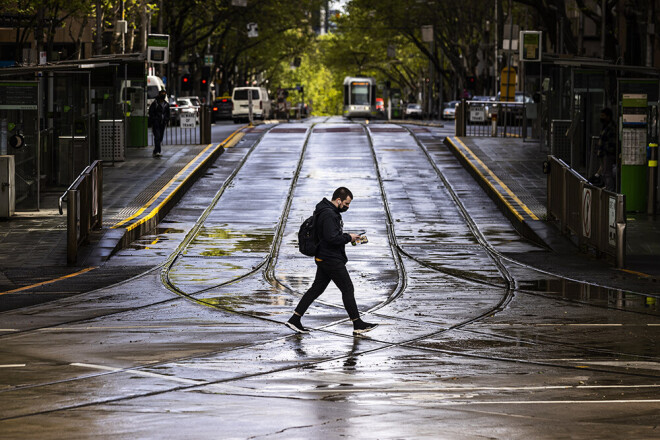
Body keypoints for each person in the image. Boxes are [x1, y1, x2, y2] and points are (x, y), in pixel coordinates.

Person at [286, 187, 378, 335]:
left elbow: (330, 235)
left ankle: (295, 319)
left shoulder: (326, 211)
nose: (347, 207)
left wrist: (348, 237)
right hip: (330, 259)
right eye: (346, 204)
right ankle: (358, 324)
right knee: (347, 289)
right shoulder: (329, 214)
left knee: (316, 289)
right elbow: (331, 238)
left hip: (324, 257)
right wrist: (349, 237)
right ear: (338, 200)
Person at [592, 107, 617, 191]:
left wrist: (606, 151)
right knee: (604, 172)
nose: (601, 117)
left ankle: (610, 189)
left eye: (603, 115)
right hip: (603, 154)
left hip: (607, 154)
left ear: (608, 116)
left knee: (607, 173)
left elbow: (610, 142)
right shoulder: (605, 127)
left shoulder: (611, 128)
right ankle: (607, 187)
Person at [148, 89, 170, 158]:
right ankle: (158, 151)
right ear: (159, 94)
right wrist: (154, 119)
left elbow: (168, 113)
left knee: (160, 137)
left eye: (164, 94)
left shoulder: (166, 104)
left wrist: (166, 120)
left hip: (162, 123)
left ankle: (155, 151)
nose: (163, 95)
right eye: (162, 93)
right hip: (156, 123)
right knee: (157, 136)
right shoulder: (155, 103)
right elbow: (151, 112)